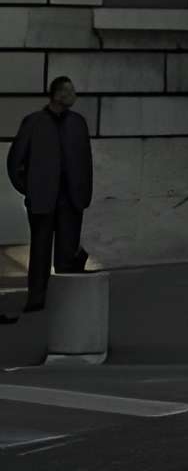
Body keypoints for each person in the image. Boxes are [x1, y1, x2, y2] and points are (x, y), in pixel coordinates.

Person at [7, 76, 94, 317]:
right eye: (70, 90)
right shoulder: (33, 123)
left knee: (67, 251)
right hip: (42, 198)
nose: (74, 94)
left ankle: (68, 298)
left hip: (71, 198)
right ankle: (37, 297)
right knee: (40, 251)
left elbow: (86, 162)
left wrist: (84, 192)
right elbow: (15, 162)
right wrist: (29, 188)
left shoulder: (78, 123)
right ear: (57, 95)